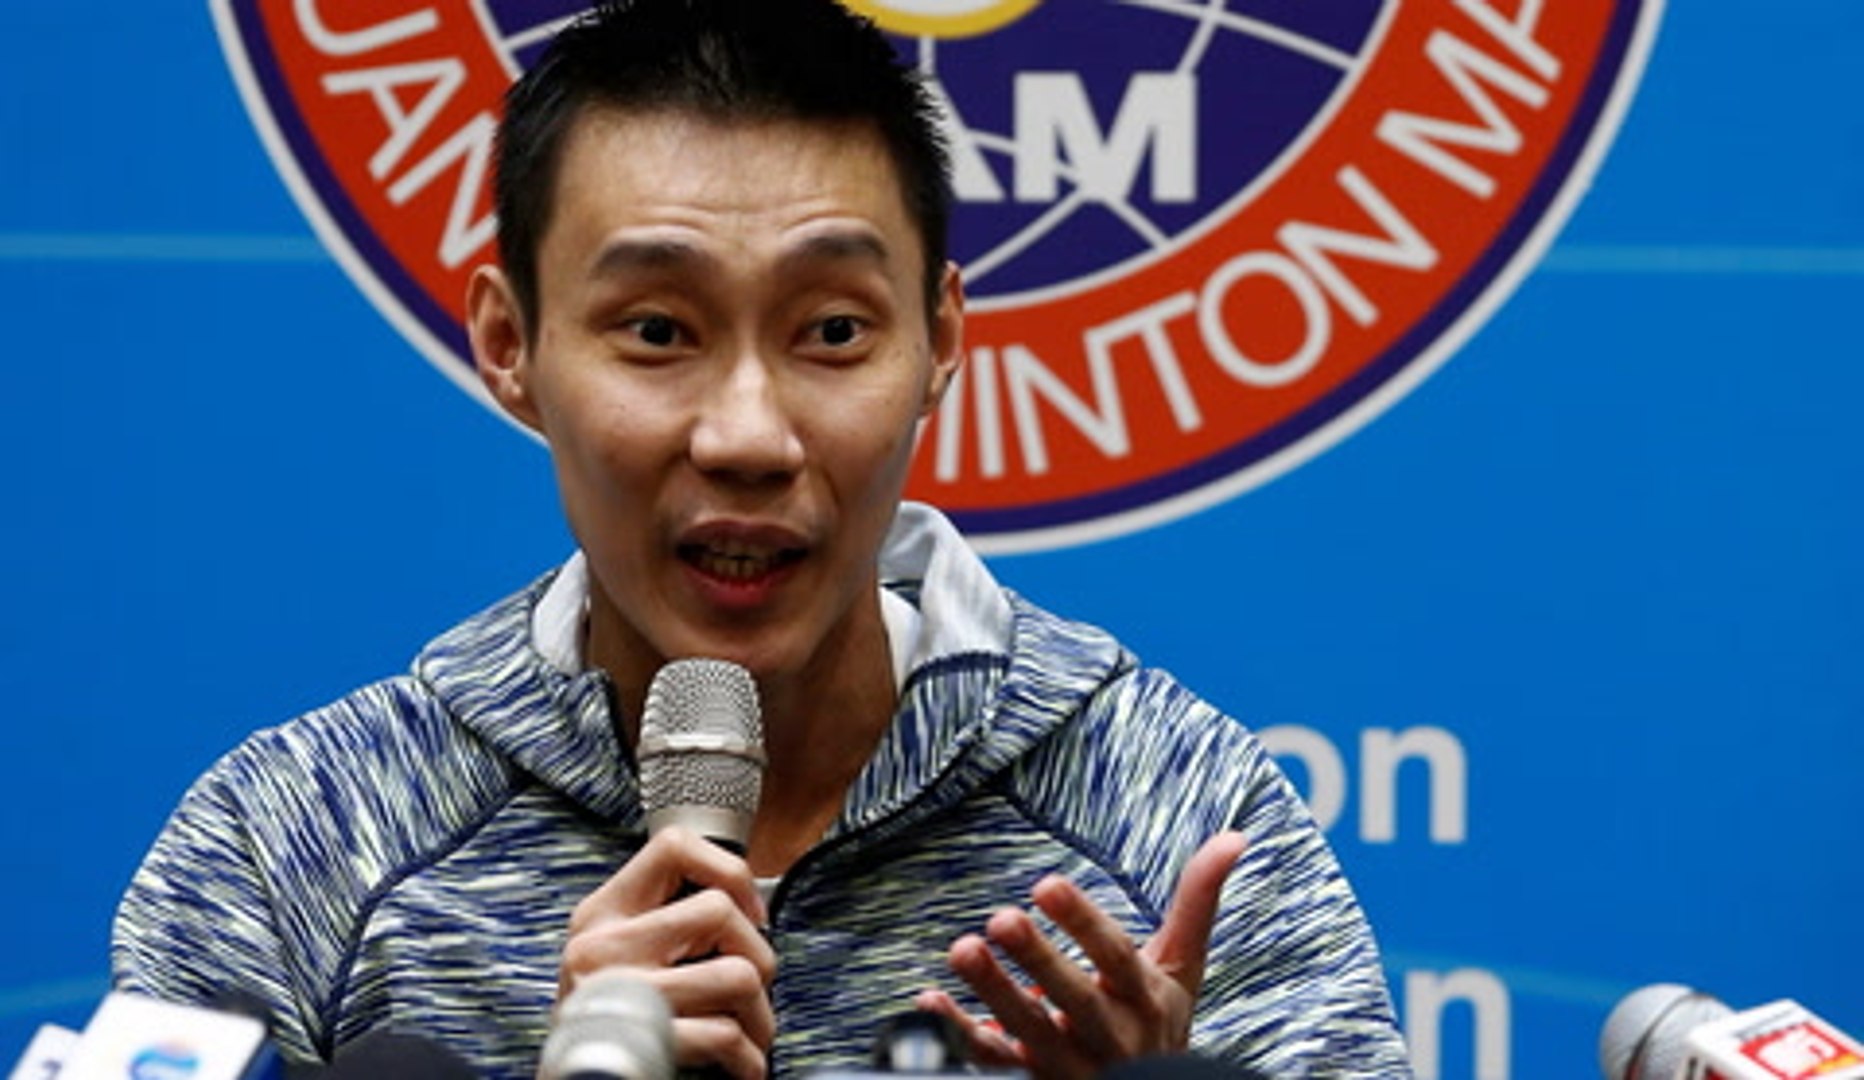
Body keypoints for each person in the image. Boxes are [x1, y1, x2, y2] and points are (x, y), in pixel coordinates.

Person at [113, 2, 1413, 1078]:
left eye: (833, 332)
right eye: (658, 332)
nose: (748, 435)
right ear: (511, 345)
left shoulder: (1175, 821)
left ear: (941, 342)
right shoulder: (295, 846)